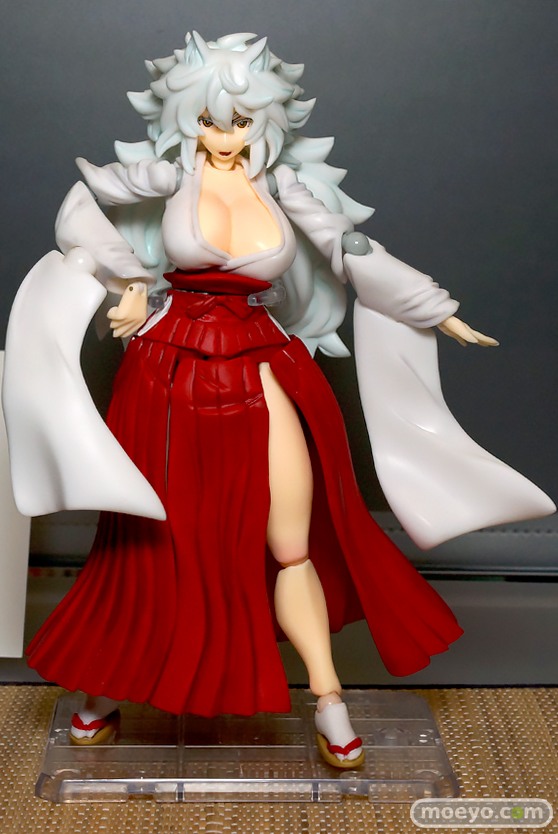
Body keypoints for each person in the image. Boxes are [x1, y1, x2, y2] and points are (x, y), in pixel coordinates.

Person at [3, 31, 554, 768]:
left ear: (262, 120)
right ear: (187, 118)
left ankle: (328, 697)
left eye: (238, 120)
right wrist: (129, 278)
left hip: (264, 365)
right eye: (208, 119)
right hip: (169, 374)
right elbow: (79, 204)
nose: (223, 135)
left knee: (292, 545)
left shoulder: (287, 187)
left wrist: (433, 309)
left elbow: (351, 250)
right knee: (160, 541)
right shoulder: (166, 176)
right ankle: (107, 685)